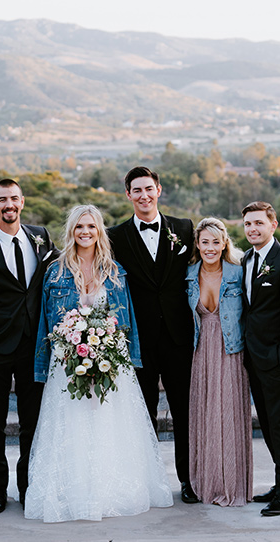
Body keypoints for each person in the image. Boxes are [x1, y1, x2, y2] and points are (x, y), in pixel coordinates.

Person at [25, 204, 173, 522]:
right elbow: (45, 324)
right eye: (80, 227)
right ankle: (71, 490)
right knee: (72, 424)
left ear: (99, 231)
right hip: (67, 361)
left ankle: (110, 490)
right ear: (71, 231)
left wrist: (113, 353)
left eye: (91, 227)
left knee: (109, 424)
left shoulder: (115, 271)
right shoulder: (56, 271)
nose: (86, 232)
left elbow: (126, 319)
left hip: (111, 360)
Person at [108, 167, 198, 504]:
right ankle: (145, 483)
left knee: (184, 413)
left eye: (149, 188)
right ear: (128, 195)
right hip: (138, 340)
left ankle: (188, 481)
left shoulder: (184, 228)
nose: (144, 195)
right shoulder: (114, 236)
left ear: (159, 190)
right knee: (141, 416)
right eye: (137, 190)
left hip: (178, 337)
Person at [0, 179, 55, 513]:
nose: (9, 205)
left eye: (14, 199)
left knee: (32, 422)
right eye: (2, 200)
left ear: (22, 201)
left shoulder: (41, 236)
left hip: (34, 346)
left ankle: (27, 486)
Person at [240, 201, 280, 516]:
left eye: (258, 223)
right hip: (253, 358)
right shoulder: (246, 260)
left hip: (276, 360)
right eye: (248, 225)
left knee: (279, 424)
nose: (253, 229)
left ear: (273, 224)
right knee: (266, 424)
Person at [185, 218, 252, 506]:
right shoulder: (188, 275)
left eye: (216, 241)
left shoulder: (239, 273)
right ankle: (207, 482)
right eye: (204, 242)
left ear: (224, 243)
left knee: (230, 413)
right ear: (197, 245)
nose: (210, 248)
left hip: (232, 350)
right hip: (201, 351)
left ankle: (233, 483)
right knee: (205, 413)